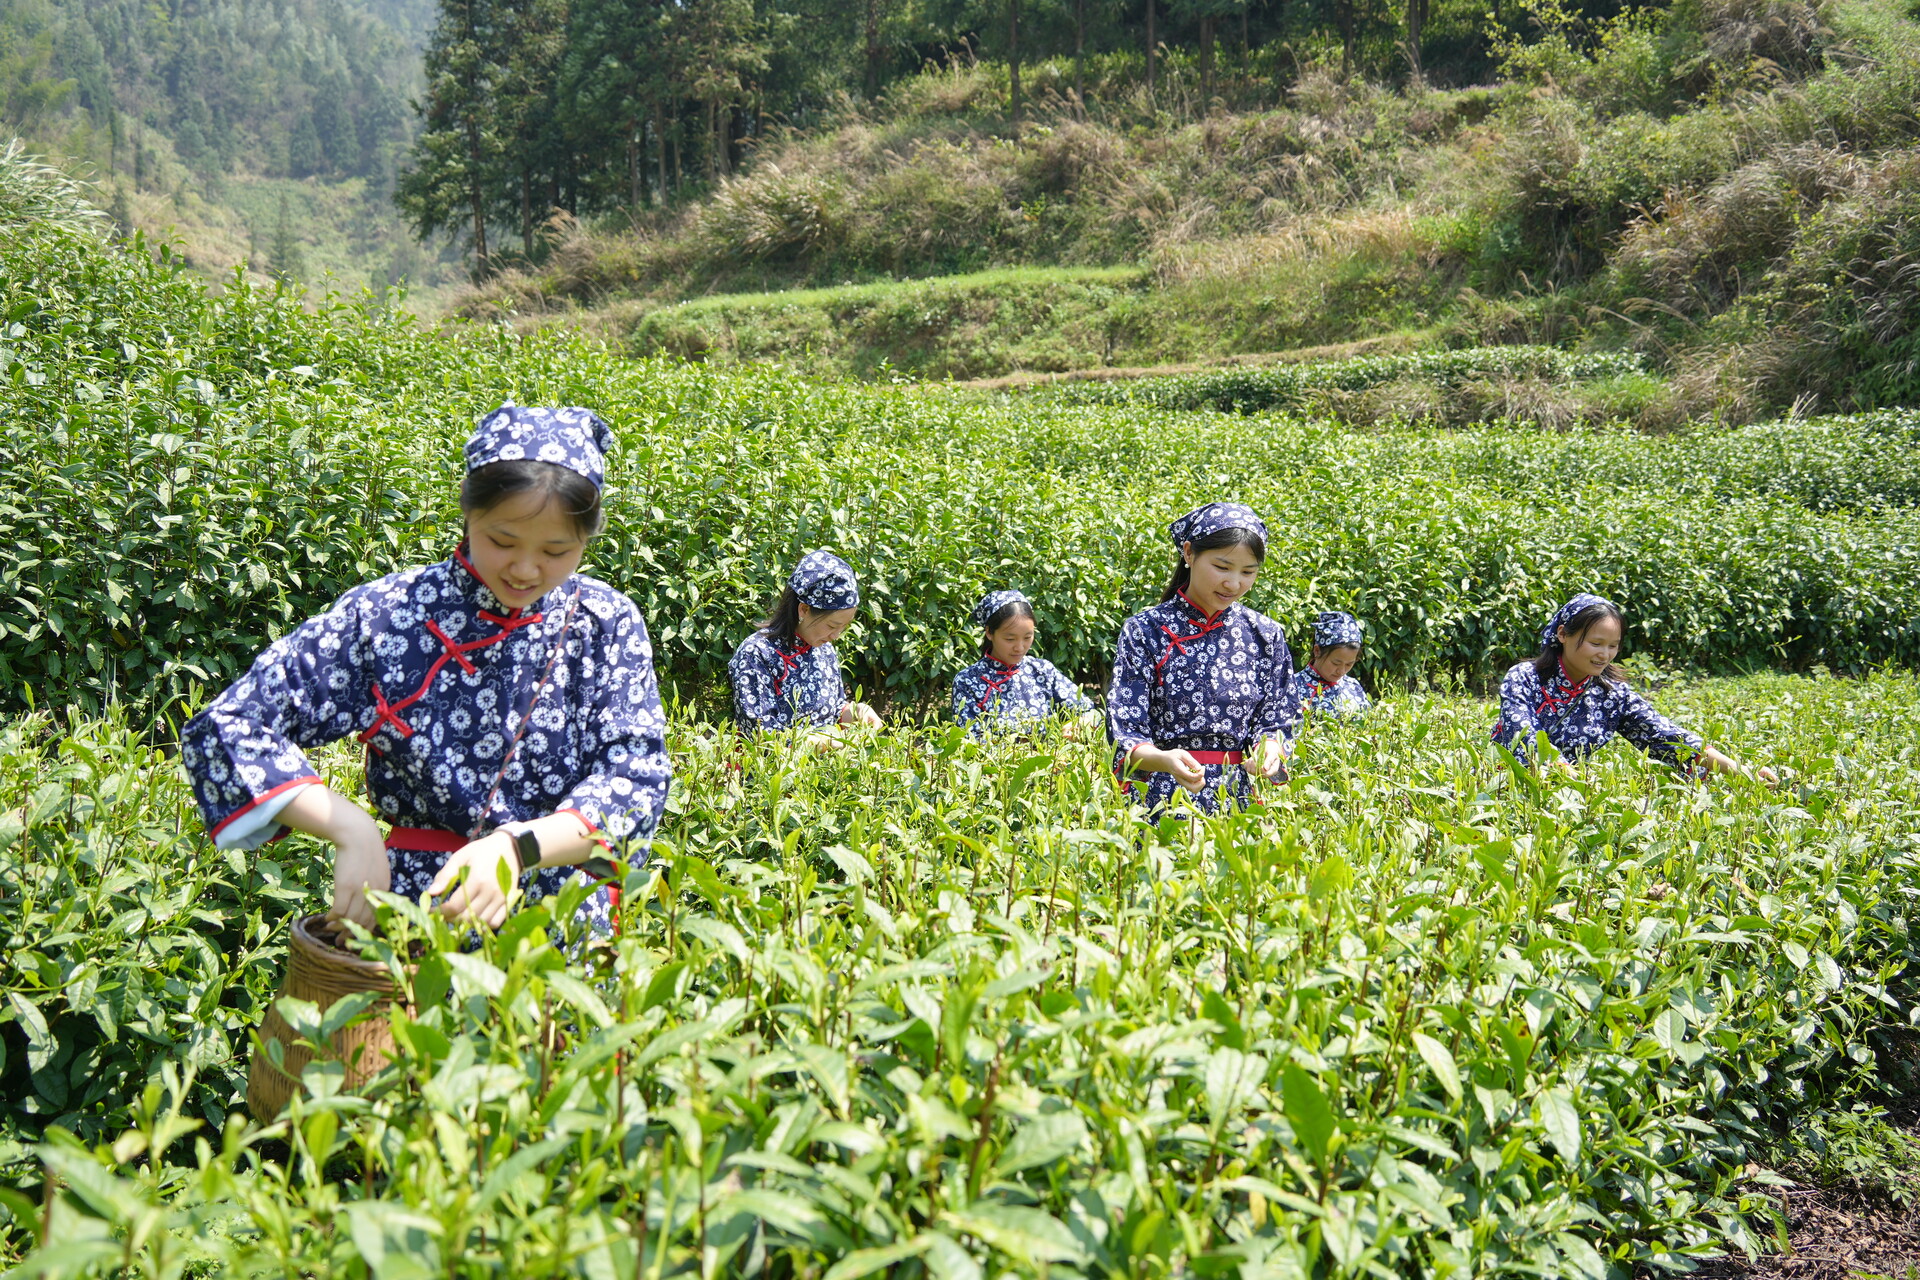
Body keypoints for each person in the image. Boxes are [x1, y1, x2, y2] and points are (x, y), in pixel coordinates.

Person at [179, 405, 671, 935]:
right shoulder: (389, 614)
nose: (526, 569)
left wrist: (517, 848)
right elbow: (230, 724)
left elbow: (636, 776)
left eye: (557, 551)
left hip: (560, 923)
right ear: (468, 510)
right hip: (416, 913)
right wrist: (350, 828)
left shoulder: (605, 621)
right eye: (502, 541)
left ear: (586, 539)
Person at [1107, 502, 1301, 816]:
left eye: (1248, 572)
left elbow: (1277, 719)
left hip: (1238, 802)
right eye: (1222, 567)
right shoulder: (1145, 631)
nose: (1234, 584)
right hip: (1163, 799)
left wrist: (1269, 749)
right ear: (1189, 553)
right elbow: (1125, 729)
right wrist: (1164, 760)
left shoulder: (1265, 635)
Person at [1492, 593, 1778, 782]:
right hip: (1509, 783)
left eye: (1613, 646)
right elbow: (1523, 735)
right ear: (1563, 634)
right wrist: (1573, 779)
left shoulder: (1613, 695)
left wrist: (1744, 773)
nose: (1604, 655)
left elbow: (1669, 737)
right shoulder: (1524, 677)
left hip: (1571, 794)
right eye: (1596, 643)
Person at [729, 550, 881, 746]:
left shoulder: (823, 648)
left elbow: (832, 710)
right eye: (832, 625)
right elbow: (761, 736)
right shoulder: (757, 654)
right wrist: (827, 744)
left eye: (844, 627)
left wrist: (856, 712)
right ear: (804, 609)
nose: (836, 636)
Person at [951, 589, 1101, 737]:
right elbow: (970, 739)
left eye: (1027, 637)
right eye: (1010, 639)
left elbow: (1091, 711)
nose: (1020, 647)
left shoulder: (1042, 671)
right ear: (989, 632)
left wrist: (1080, 723)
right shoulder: (968, 681)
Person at [1294, 611, 1371, 717]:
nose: (1341, 671)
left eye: (1349, 664)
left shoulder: (1353, 687)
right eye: (1336, 663)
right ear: (1317, 651)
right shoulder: (1293, 687)